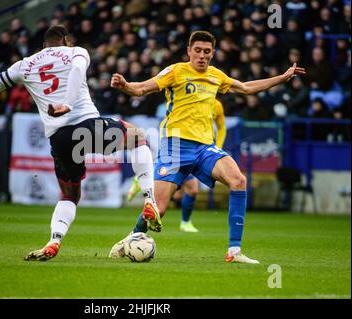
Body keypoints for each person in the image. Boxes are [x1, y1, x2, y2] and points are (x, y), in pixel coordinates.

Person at [0, 25, 162, 261]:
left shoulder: (25, 64)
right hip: (87, 127)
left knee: (69, 196)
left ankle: (54, 240)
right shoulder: (76, 52)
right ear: (66, 39)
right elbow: (77, 70)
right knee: (138, 138)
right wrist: (67, 103)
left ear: (44, 45)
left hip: (60, 139)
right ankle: (149, 199)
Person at [110, 31, 305, 264]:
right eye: (198, 51)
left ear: (212, 54)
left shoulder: (216, 76)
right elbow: (142, 88)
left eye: (207, 52)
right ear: (189, 51)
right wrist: (124, 86)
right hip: (175, 146)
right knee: (158, 210)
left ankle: (234, 251)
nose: (202, 56)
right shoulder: (175, 71)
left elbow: (246, 88)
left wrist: (282, 78)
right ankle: (130, 239)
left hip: (204, 148)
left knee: (238, 180)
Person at [126, 99, 227, 233]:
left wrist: (217, 148)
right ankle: (144, 180)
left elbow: (221, 128)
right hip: (178, 148)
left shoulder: (216, 105)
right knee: (162, 205)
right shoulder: (184, 98)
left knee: (192, 189)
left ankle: (185, 222)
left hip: (196, 150)